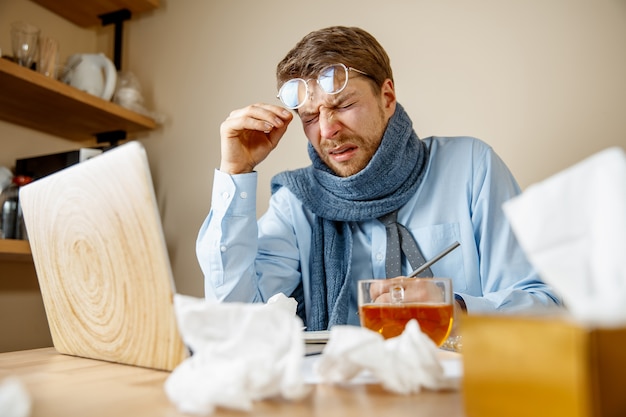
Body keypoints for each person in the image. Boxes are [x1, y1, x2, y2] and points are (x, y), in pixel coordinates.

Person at [196, 25, 561, 331]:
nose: (327, 130)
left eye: (342, 106)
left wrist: (456, 308)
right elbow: (235, 321)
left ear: (387, 97)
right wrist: (236, 173)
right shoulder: (296, 204)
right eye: (309, 117)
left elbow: (546, 307)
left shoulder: (471, 168)